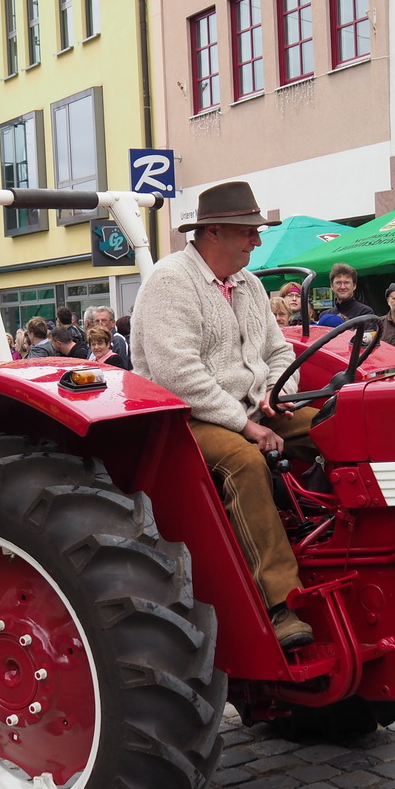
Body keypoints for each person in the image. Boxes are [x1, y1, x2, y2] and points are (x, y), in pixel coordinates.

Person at [129, 179, 316, 651]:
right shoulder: (171, 282)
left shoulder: (248, 284)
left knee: (331, 425)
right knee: (243, 462)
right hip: (187, 419)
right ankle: (278, 603)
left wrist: (277, 394)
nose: (257, 239)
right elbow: (178, 376)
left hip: (254, 407)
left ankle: (333, 542)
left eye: (256, 231)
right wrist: (246, 424)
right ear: (213, 232)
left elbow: (279, 349)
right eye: (248, 231)